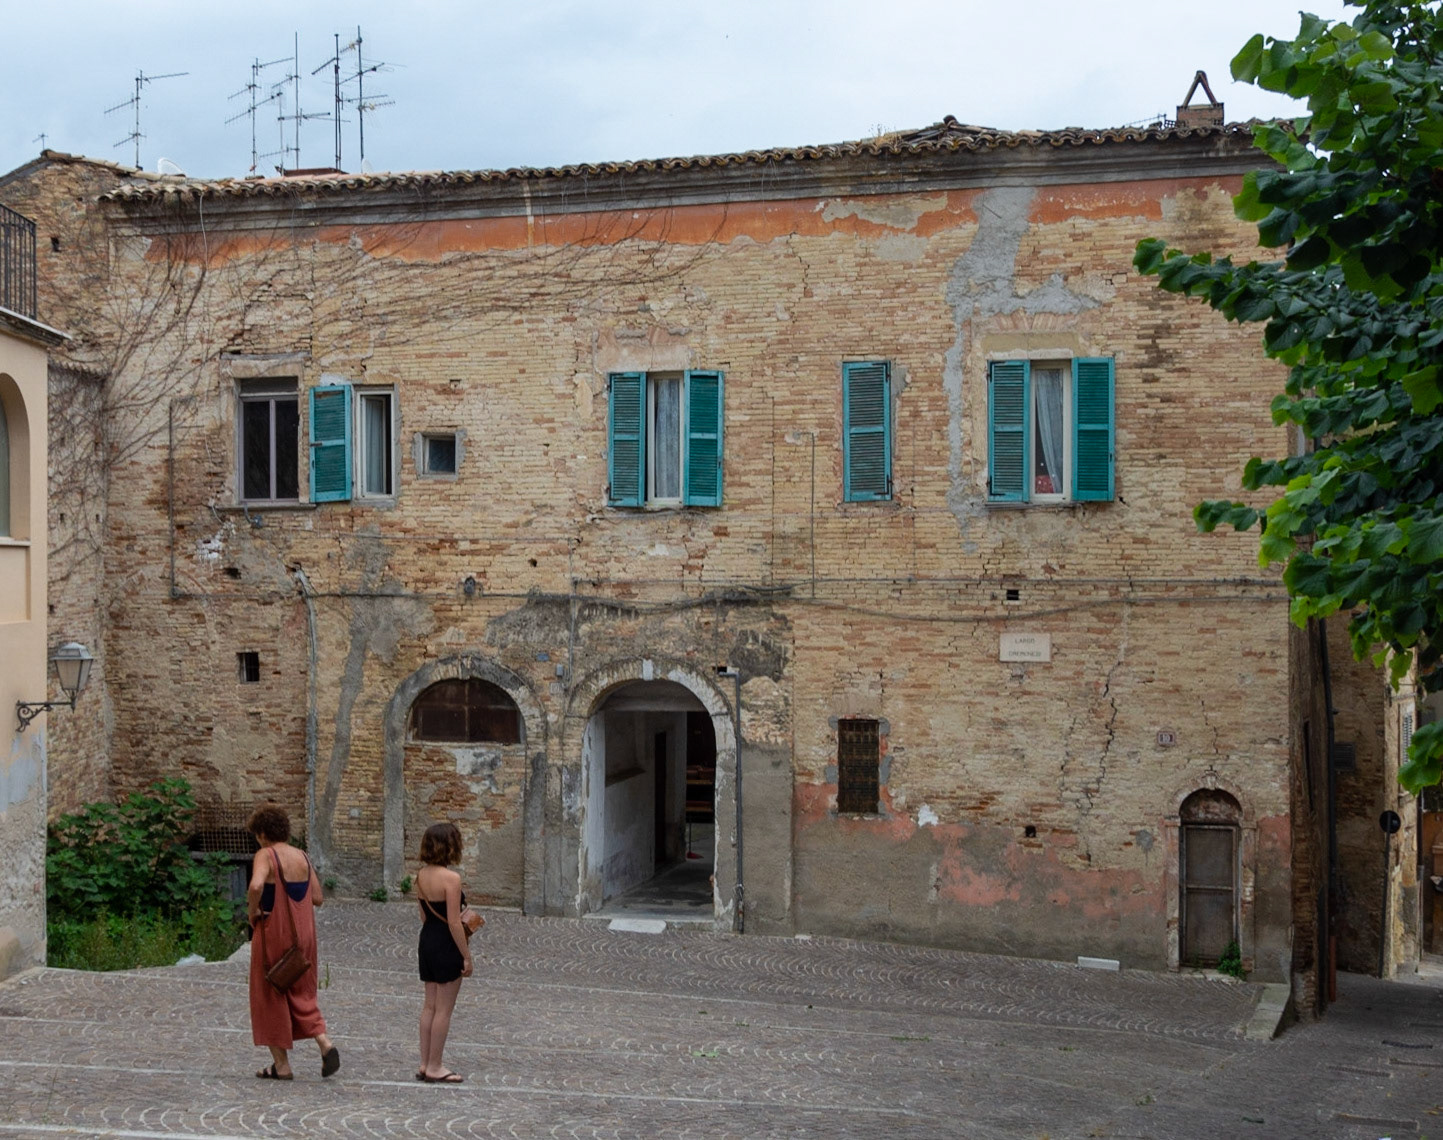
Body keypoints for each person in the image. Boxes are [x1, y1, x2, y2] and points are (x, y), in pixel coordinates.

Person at [246, 803, 340, 1081]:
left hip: (273, 933)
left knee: (269, 992)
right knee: (301, 991)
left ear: (263, 833)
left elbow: (256, 885)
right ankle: (324, 1043)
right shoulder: (302, 857)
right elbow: (318, 898)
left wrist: (252, 911)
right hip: (304, 936)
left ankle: (282, 1065)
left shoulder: (266, 855)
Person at [415, 821, 473, 1083]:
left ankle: (425, 1062)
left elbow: (423, 916)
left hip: (427, 939)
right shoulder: (452, 879)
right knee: (444, 1010)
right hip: (446, 943)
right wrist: (466, 955)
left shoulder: (420, 875)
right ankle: (436, 1065)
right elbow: (453, 922)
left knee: (429, 1005)